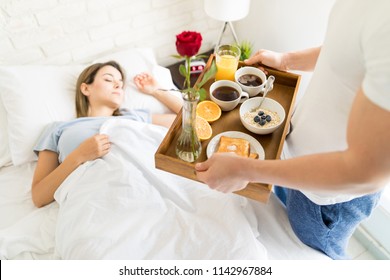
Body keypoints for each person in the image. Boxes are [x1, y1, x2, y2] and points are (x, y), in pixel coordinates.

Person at [196, 0, 390, 259]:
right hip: (290, 160)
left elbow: (367, 171)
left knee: (314, 261)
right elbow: (346, 51)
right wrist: (286, 60)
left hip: (326, 198)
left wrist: (247, 170)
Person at [31, 61, 182, 208]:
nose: (118, 85)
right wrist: (78, 156)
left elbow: (191, 119)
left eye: (121, 84)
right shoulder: (59, 129)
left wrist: (155, 90)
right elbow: (39, 196)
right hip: (95, 201)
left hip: (145, 189)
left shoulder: (133, 117)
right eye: (108, 79)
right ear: (85, 88)